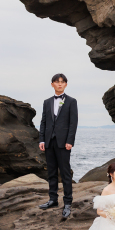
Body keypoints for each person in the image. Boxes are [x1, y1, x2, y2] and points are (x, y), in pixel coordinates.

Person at [37, 73, 78, 218]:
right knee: (52, 172)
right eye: (57, 82)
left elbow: (73, 124)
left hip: (63, 143)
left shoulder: (71, 101)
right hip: (49, 142)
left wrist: (70, 141)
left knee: (65, 173)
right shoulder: (47, 102)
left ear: (66, 84)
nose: (59, 84)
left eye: (62, 82)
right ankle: (53, 199)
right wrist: (42, 140)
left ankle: (67, 202)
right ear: (52, 84)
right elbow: (44, 122)